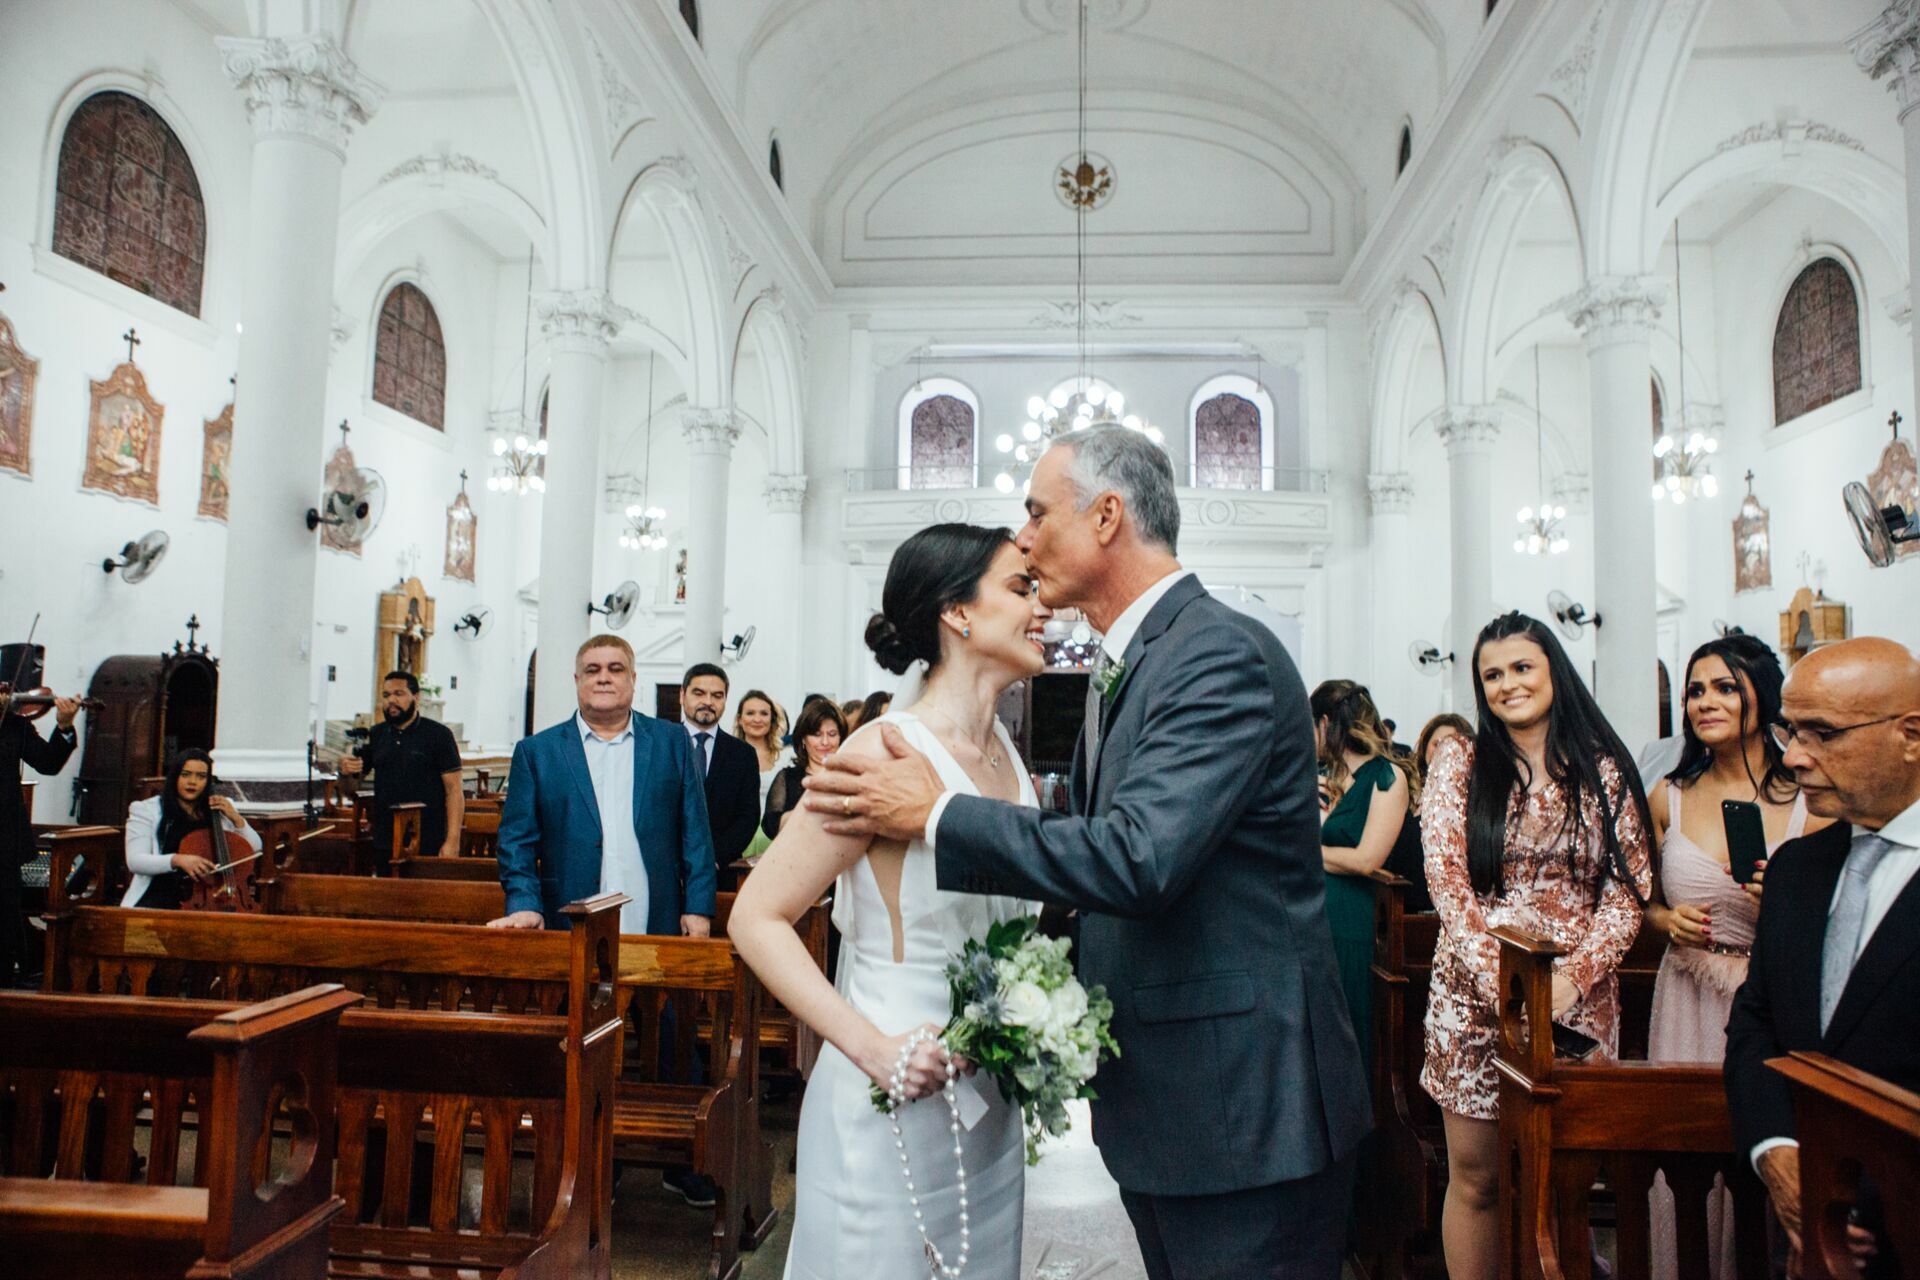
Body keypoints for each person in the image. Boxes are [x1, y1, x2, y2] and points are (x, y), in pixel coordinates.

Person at [804, 426, 1370, 1280]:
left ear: (1107, 516)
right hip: (1178, 1106)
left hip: (1244, 1110)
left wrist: (938, 814)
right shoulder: (1134, 662)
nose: (1025, 537)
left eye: (1036, 512)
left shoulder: (1213, 653)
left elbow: (1138, 857)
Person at [730, 523, 1042, 1280]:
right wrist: (873, 1049)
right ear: (957, 613)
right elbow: (755, 917)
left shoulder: (1004, 750)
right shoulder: (880, 751)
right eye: (1019, 588)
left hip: (988, 1101)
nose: (1043, 608)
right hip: (892, 1095)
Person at [1420, 611, 1652, 1280]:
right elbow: (1447, 878)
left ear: (1554, 671)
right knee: (1478, 1179)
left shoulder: (1602, 771)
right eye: (1491, 675)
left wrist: (1572, 981)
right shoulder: (1461, 761)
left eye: (1522, 668)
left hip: (1575, 999)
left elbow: (1627, 892)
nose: (1507, 684)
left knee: (1564, 1179)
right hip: (1474, 996)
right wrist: (1507, 984)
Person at [489, 633, 720, 1209]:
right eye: (591, 667)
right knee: (587, 1047)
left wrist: (698, 906)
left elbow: (696, 830)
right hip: (578, 930)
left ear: (634, 680)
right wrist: (523, 903)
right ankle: (596, 1160)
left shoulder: (670, 744)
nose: (604, 676)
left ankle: (682, 1163)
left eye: (616, 668)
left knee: (670, 1036)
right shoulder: (539, 752)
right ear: (575, 679)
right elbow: (517, 841)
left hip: (658, 920)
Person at [1726, 637, 1920, 1280]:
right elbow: (1757, 1023)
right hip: (1804, 1226)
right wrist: (1778, 1155)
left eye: (1823, 734)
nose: (1796, 757)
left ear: (1911, 736)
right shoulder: (1796, 869)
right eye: (1790, 731)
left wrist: (1867, 1202)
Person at [1645, 635, 1824, 1280]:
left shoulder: (1808, 797)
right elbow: (1638, 903)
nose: (1705, 702)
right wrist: (1666, 920)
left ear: (1761, 696)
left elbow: (1832, 916)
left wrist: (1782, 899)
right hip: (1687, 996)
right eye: (1696, 690)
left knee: (1766, 1156)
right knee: (1689, 1164)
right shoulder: (1669, 795)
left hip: (1767, 1000)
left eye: (1724, 687)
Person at [1314, 679, 1412, 1074]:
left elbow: (1368, 859)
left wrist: (1308, 852)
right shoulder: (1329, 779)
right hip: (1315, 921)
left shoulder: (1388, 777)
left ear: (1324, 724)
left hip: (1353, 925)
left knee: (1349, 1031)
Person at [0, 643, 79, 986]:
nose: (7, 697)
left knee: (4, 911)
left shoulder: (15, 725)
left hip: (4, 836)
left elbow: (47, 763)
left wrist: (63, 725)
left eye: (8, 690)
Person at [335, 671, 463, 873]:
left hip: (427, 838)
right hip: (385, 838)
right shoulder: (377, 734)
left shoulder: (438, 735)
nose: (391, 700)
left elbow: (454, 790)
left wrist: (452, 841)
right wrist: (345, 771)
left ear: (416, 697)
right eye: (386, 695)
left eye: (399, 693)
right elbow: (351, 788)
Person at [121, 749, 262, 908]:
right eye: (186, 774)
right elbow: (135, 861)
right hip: (159, 895)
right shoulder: (147, 809)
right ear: (175, 777)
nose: (192, 782)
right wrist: (177, 860)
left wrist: (237, 819)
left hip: (213, 897)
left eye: (201, 776)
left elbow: (255, 848)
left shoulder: (218, 808)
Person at [680, 662, 760, 872]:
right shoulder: (662, 745)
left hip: (721, 870)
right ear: (682, 695)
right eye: (699, 693)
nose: (708, 702)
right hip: (666, 871)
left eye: (717, 695)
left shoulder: (743, 754)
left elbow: (748, 817)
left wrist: (712, 858)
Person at [761, 699, 846, 841]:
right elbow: (771, 826)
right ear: (803, 740)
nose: (825, 742)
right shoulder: (787, 778)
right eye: (817, 735)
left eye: (832, 734)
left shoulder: (850, 777)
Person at [734, 691, 788, 860]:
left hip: (777, 838)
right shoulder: (729, 755)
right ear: (739, 719)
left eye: (764, 713)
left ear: (772, 720)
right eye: (750, 713)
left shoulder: (786, 757)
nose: (757, 719)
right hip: (738, 838)